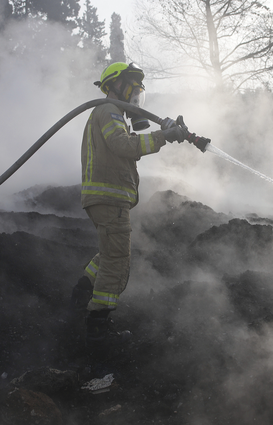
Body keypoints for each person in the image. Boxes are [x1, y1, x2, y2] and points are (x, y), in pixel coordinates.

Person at [68, 62, 192, 354]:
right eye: (130, 85)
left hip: (105, 199)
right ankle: (98, 333)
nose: (136, 92)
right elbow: (124, 145)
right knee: (117, 261)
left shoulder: (107, 113)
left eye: (138, 87)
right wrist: (164, 136)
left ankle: (80, 295)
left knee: (109, 253)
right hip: (109, 199)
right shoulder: (108, 110)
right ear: (112, 86)